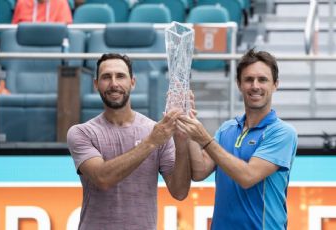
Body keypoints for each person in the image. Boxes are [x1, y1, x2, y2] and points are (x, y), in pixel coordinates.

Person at [67, 53, 191, 230]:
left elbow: (179, 192)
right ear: (96, 84)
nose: (114, 83)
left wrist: (181, 142)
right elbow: (102, 178)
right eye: (106, 77)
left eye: (120, 76)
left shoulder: (156, 132)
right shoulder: (82, 132)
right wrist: (150, 142)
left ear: (132, 82)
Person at [177, 49, 298, 229]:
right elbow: (199, 171)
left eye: (262, 79)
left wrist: (204, 139)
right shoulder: (227, 128)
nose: (255, 86)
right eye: (249, 79)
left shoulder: (283, 133)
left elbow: (247, 176)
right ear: (239, 84)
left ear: (275, 85)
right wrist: (190, 124)